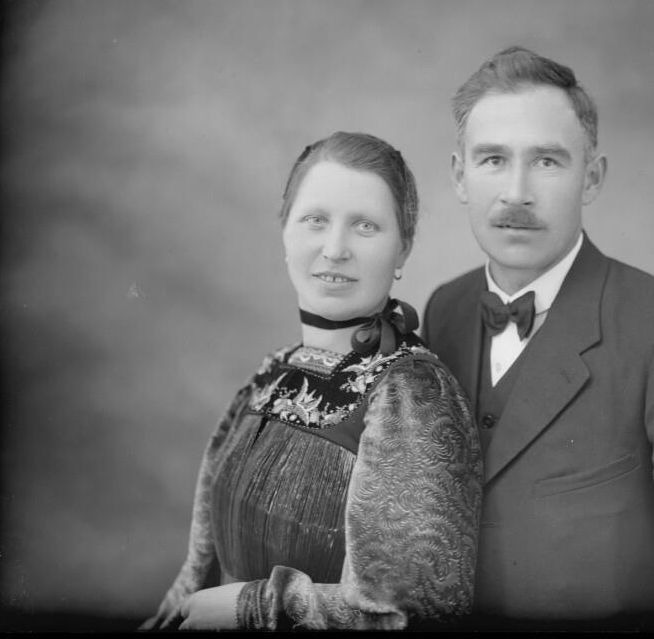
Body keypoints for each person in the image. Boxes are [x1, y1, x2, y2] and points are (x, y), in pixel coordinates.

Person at [422, 46, 654, 631]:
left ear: (591, 178)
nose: (516, 192)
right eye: (492, 159)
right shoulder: (445, 311)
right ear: (459, 176)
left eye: (547, 161)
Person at [142, 131, 482, 631]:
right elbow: (196, 573)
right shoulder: (272, 373)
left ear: (403, 249)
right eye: (315, 220)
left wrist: (253, 607)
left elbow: (411, 613)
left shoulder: (410, 392)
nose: (335, 249)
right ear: (285, 232)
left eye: (365, 226)